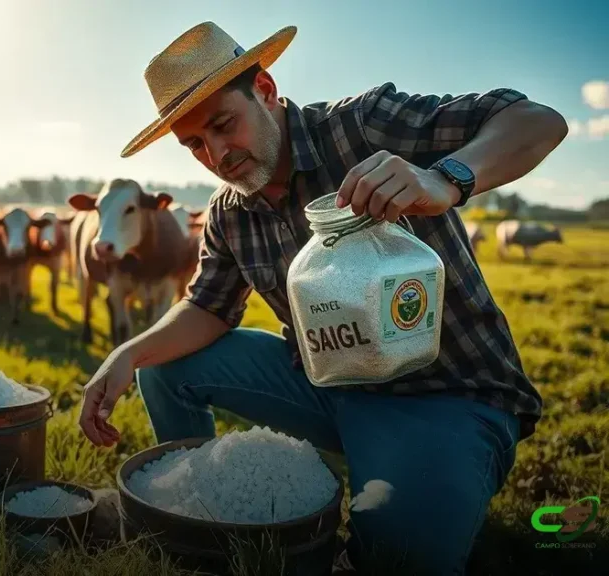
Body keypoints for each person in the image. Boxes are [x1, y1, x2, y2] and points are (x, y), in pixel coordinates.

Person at [77, 21, 567, 575]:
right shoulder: (227, 212)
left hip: (445, 393)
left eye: (223, 125)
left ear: (265, 90)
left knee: (398, 560)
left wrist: (445, 178)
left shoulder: (361, 127)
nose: (216, 155)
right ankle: (196, 505)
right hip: (327, 383)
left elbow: (538, 121)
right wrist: (128, 353)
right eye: (194, 144)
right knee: (161, 366)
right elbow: (208, 307)